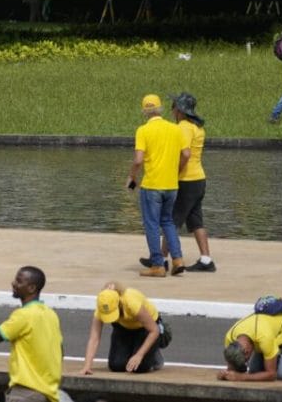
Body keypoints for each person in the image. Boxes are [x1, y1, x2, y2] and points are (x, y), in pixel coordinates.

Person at [0, 265, 62, 402]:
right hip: (49, 393)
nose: (13, 283)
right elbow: (60, 351)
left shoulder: (23, 315)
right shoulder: (51, 315)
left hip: (26, 394)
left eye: (19, 281)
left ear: (31, 288)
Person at [128, 93, 184, 278]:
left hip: (152, 185)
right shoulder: (175, 129)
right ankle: (178, 260)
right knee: (168, 222)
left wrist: (132, 177)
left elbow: (138, 160)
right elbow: (186, 154)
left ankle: (158, 265)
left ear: (145, 111)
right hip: (171, 185)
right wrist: (175, 170)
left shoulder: (143, 131)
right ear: (160, 108)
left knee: (151, 224)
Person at [217, 298, 282, 383]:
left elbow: (271, 375)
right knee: (255, 372)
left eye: (245, 360)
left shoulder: (264, 338)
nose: (246, 363)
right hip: (271, 333)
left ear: (247, 352)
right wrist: (225, 374)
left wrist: (242, 377)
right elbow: (232, 364)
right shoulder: (230, 337)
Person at [78, 282, 166, 375]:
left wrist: (139, 355)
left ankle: (155, 354)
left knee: (140, 367)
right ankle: (134, 348)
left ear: (119, 303)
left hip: (145, 329)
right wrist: (87, 366)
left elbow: (154, 330)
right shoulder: (102, 307)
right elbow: (94, 338)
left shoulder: (131, 302)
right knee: (116, 365)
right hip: (124, 328)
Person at [172, 92, 214, 271]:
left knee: (172, 221)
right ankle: (206, 260)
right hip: (199, 179)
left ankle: (159, 259)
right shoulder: (197, 127)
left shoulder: (184, 127)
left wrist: (175, 172)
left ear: (180, 110)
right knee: (196, 221)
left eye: (173, 106)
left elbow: (185, 154)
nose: (172, 110)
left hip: (187, 180)